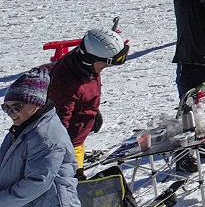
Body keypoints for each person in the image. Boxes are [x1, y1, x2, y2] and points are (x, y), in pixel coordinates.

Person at [46, 28, 125, 172]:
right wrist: (67, 164)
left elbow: (86, 93)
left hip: (78, 135)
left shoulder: (85, 65)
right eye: (106, 63)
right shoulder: (66, 84)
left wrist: (93, 111)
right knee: (73, 182)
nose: (106, 67)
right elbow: (58, 125)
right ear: (90, 59)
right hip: (69, 146)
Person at [0, 66, 78, 207]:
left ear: (37, 103)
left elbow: (37, 182)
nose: (11, 113)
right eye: (6, 108)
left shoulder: (45, 137)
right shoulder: (22, 127)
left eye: (16, 107)